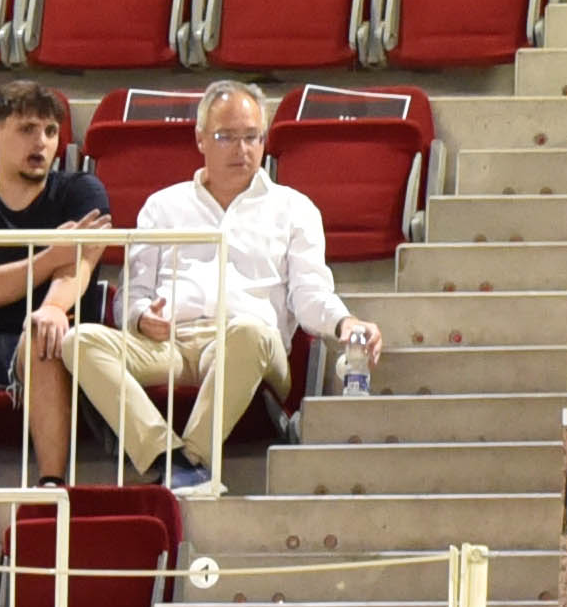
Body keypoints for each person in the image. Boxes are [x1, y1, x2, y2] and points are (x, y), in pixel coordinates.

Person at [60, 87, 372, 498]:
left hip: (250, 345)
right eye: (227, 136)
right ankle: (170, 460)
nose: (242, 149)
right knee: (78, 339)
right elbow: (132, 294)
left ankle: (194, 460)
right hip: (170, 340)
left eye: (253, 136)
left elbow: (310, 292)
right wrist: (139, 317)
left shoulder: (295, 209)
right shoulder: (162, 207)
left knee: (250, 331)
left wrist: (345, 322)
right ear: (201, 138)